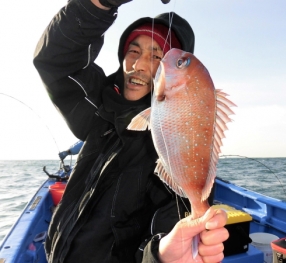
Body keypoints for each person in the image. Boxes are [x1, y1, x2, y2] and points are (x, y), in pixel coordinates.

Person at [33, 0, 228, 262]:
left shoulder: (180, 145)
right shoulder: (99, 106)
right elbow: (56, 58)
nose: (139, 65)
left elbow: (170, 239)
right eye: (133, 51)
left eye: (158, 56)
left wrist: (159, 256)